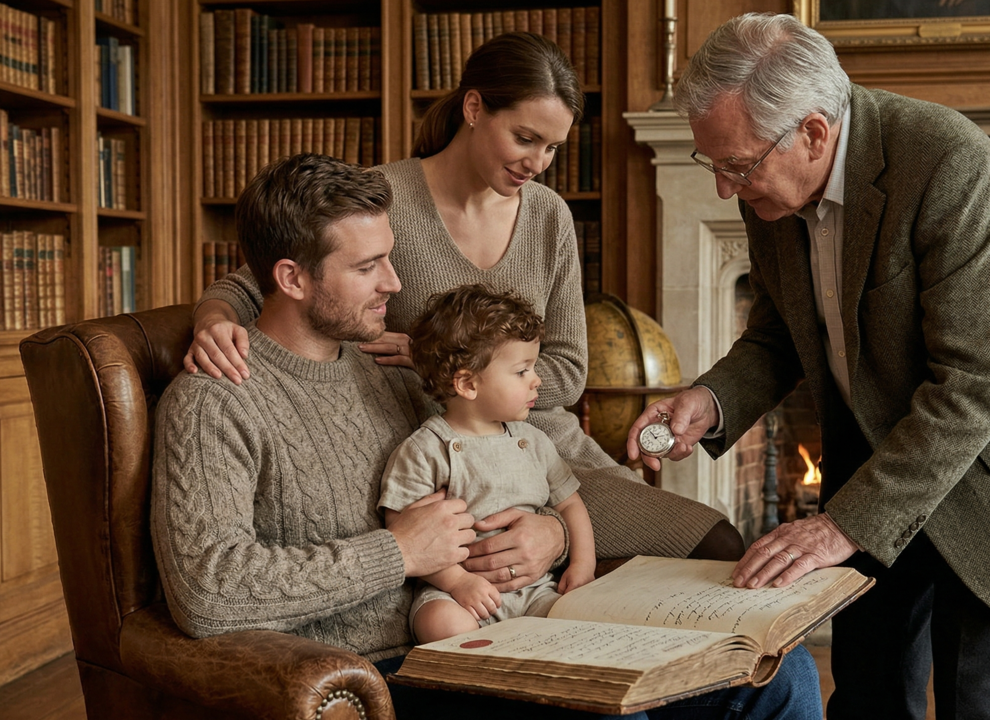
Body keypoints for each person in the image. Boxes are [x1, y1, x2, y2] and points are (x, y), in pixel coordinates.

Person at [153, 153, 821, 719]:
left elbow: (501, 463)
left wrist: (554, 534)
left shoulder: (386, 370)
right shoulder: (215, 402)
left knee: (779, 674)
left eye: (390, 258)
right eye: (367, 268)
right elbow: (208, 590)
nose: (395, 283)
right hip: (389, 669)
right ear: (291, 278)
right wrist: (397, 553)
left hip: (505, 629)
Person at [626, 13, 990, 720]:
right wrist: (709, 398)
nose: (728, 190)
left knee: (985, 707)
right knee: (867, 698)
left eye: (738, 165)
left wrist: (838, 527)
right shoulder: (773, 195)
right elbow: (777, 335)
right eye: (716, 165)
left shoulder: (947, 162)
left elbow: (973, 388)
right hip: (878, 465)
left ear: (814, 132)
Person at [187, 32, 744, 594]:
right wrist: (213, 318)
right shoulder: (384, 198)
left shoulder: (548, 216)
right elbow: (269, 280)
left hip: (540, 445)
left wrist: (455, 363)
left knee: (719, 546)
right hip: (444, 448)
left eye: (553, 148)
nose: (538, 163)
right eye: (525, 138)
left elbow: (571, 372)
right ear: (474, 108)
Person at [381, 284, 596, 643]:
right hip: (456, 592)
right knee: (440, 623)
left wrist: (582, 566)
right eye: (521, 371)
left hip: (534, 589)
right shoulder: (424, 449)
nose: (536, 380)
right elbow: (404, 531)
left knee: (580, 619)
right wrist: (458, 581)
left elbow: (571, 503)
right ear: (467, 384)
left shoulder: (535, 442)